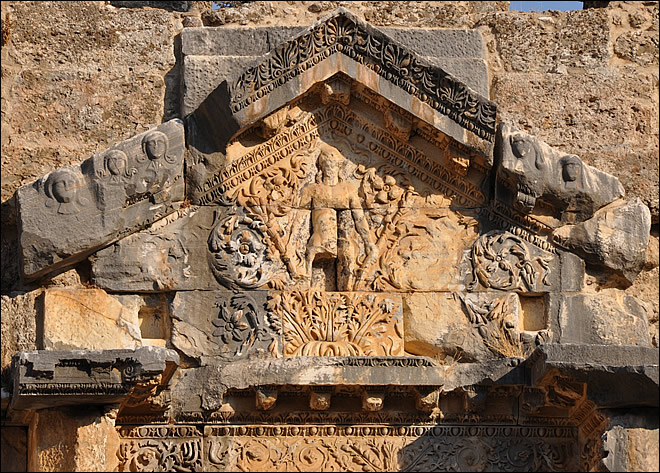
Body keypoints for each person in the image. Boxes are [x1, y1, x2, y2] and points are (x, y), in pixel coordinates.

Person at [292, 142, 376, 286]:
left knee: (348, 281)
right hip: (317, 243)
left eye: (333, 164)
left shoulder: (348, 189)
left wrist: (369, 243)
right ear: (321, 167)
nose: (330, 168)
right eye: (326, 164)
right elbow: (300, 219)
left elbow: (359, 218)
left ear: (339, 167)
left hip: (346, 244)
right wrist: (291, 243)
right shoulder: (312, 189)